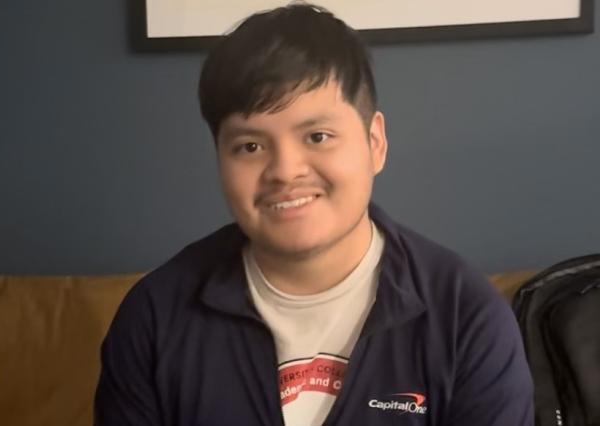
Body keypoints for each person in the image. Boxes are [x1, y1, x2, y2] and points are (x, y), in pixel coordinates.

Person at [94, 3, 534, 425]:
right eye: (250, 146)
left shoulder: (465, 316)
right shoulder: (154, 317)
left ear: (374, 142)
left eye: (318, 136)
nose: (285, 171)